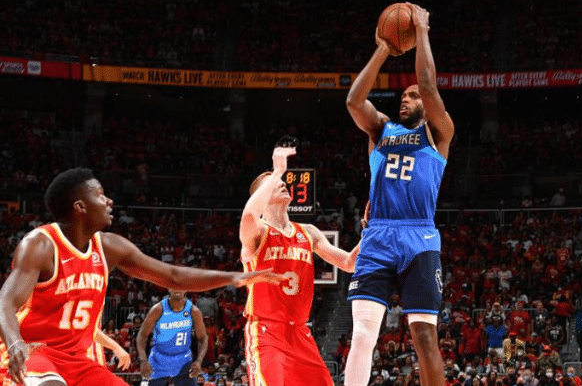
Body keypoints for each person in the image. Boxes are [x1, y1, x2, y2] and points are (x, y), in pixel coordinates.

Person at [0, 168, 283, 386]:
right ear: (80, 206)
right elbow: (5, 302)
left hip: (77, 361)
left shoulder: (110, 247)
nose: (109, 200)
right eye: (99, 194)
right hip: (33, 354)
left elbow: (173, 276)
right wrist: (15, 345)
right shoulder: (41, 245)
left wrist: (234, 276)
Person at [343, 2, 454, 386]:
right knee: (362, 334)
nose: (406, 98)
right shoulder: (381, 129)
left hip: (418, 235)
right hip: (378, 233)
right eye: (403, 95)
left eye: (413, 96)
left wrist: (421, 31)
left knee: (424, 336)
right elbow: (353, 101)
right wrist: (383, 49)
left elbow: (428, 85)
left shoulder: (438, 133)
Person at [239, 144, 360, 386]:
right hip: (266, 332)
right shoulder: (258, 232)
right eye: (273, 184)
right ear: (261, 196)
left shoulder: (308, 232)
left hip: (299, 332)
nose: (282, 183)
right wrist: (276, 172)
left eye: (281, 182)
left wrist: (370, 234)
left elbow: (349, 263)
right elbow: (249, 216)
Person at [137, 289, 208, 386]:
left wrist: (199, 361)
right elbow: (142, 334)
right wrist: (143, 360)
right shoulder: (158, 309)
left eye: (180, 286)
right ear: (168, 288)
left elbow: (203, 338)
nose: (177, 289)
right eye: (173, 286)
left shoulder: (193, 311)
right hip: (159, 360)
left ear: (185, 289)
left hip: (183, 360)